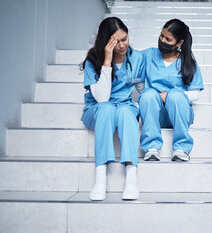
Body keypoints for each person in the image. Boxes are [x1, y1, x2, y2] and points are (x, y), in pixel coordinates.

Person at [80, 17, 144, 201]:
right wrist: (107, 61)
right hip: (98, 109)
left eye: (125, 39)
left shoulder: (137, 58)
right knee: (107, 108)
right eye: (116, 42)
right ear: (105, 42)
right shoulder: (94, 60)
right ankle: (100, 179)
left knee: (125, 111)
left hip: (124, 106)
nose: (123, 45)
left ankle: (131, 179)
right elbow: (101, 99)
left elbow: (142, 90)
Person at [139, 18, 204, 162]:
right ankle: (151, 148)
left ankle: (181, 148)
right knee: (149, 94)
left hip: (179, 113)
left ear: (179, 43)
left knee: (175, 95)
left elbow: (195, 94)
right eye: (161, 36)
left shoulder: (188, 63)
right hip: (156, 115)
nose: (162, 40)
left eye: (168, 39)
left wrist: (168, 95)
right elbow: (128, 64)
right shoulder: (148, 55)